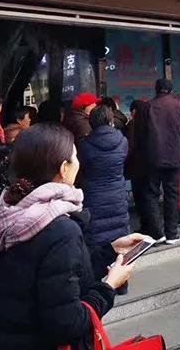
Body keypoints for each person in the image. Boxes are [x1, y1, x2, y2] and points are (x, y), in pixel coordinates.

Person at [0, 124, 145, 348]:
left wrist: (110, 252)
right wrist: (109, 286)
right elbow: (68, 324)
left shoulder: (12, 215)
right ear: (63, 169)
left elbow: (53, 275)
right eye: (75, 156)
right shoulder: (59, 229)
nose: (79, 162)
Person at [77, 105, 129, 278]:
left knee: (96, 241)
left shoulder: (85, 145)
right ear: (110, 120)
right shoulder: (122, 141)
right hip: (118, 196)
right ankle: (121, 281)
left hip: (94, 197)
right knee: (121, 243)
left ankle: (99, 282)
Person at [137, 78, 180, 244]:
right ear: (171, 90)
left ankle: (157, 233)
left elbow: (140, 135)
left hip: (152, 158)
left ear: (156, 89)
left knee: (151, 194)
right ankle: (172, 234)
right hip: (175, 157)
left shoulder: (147, 107)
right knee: (172, 195)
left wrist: (143, 156)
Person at [124, 99, 148, 225]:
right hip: (149, 166)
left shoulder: (133, 124)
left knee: (140, 197)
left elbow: (130, 146)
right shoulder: (150, 122)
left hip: (136, 166)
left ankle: (146, 224)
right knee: (148, 197)